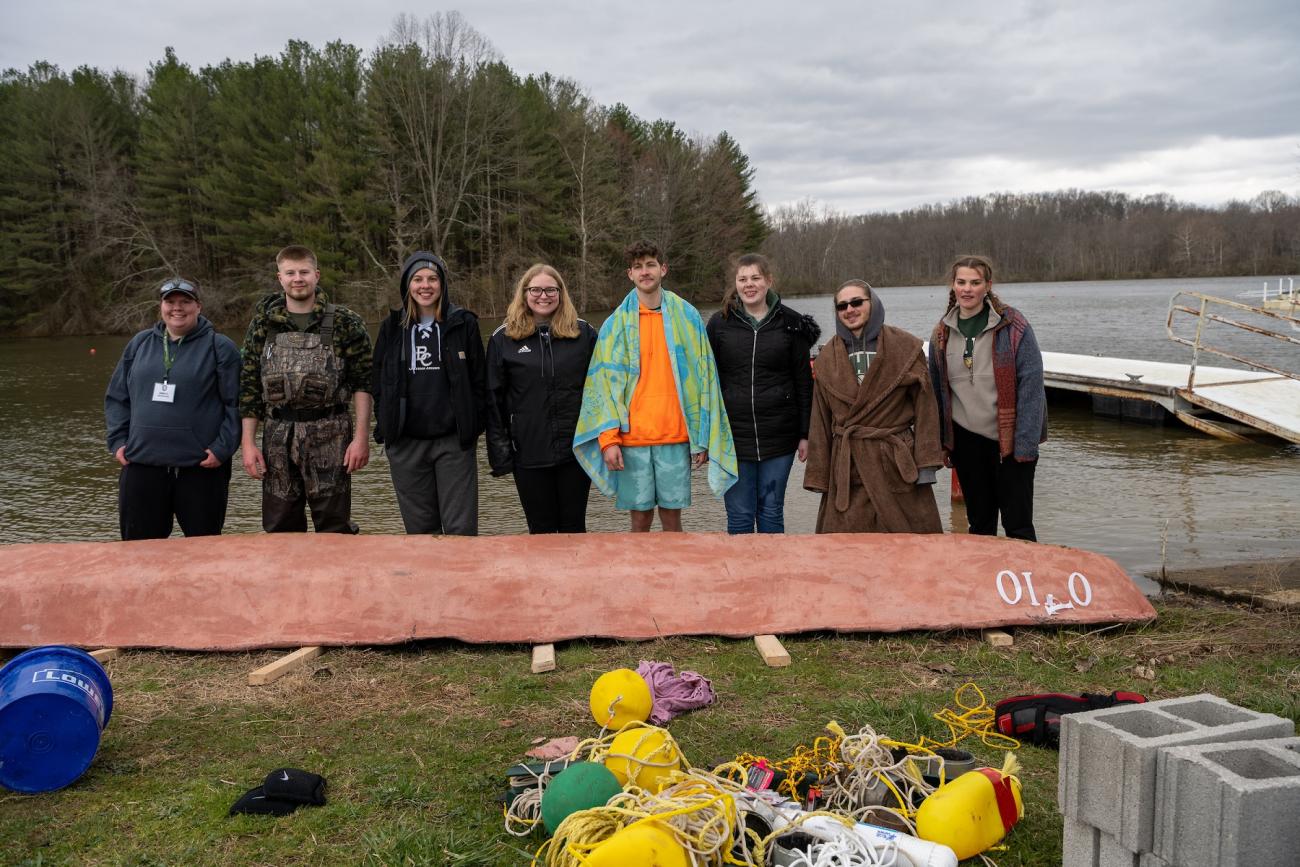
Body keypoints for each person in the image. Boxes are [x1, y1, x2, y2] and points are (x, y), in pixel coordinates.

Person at [574, 240, 737, 531]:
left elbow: (705, 379)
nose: (645, 272)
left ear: (663, 269)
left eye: (651, 265)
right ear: (630, 274)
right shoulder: (614, 325)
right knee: (639, 520)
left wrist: (701, 437)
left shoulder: (687, 317)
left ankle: (673, 576)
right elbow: (602, 387)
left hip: (675, 437)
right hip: (631, 439)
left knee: (673, 520)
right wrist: (608, 440)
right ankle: (641, 577)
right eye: (638, 267)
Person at [239, 245, 373, 533]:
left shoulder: (345, 322)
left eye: (304, 272)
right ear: (280, 278)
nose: (297, 278)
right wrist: (248, 444)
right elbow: (249, 387)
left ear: (316, 275)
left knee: (334, 526)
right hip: (277, 436)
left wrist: (361, 438)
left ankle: (337, 578)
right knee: (280, 526)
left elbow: (364, 383)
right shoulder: (263, 324)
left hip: (331, 434)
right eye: (290, 273)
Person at [105, 278, 240, 540]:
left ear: (198, 306)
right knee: (139, 552)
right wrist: (118, 441)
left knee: (204, 549)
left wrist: (222, 449)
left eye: (185, 302)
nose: (177, 308)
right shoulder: (140, 343)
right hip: (142, 465)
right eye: (170, 302)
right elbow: (117, 398)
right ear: (161, 307)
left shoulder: (220, 347)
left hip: (201, 468)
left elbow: (235, 404)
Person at [804, 279, 943, 533]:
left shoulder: (906, 347)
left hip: (896, 463)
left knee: (911, 548)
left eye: (857, 302)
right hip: (848, 466)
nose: (850, 310)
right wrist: (819, 474)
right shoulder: (826, 359)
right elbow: (820, 420)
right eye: (842, 305)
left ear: (873, 303)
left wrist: (926, 465)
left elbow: (927, 410)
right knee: (846, 551)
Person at [928, 255, 1046, 541]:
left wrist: (1025, 446)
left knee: (1018, 526)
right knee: (979, 527)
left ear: (988, 285)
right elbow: (937, 392)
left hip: (1009, 443)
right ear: (953, 286)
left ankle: (1025, 580)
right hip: (967, 443)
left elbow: (1032, 385)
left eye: (975, 282)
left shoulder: (1013, 325)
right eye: (961, 282)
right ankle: (984, 584)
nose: (967, 289)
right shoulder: (941, 333)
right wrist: (944, 442)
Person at [372, 251, 487, 535]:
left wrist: (473, 427)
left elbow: (480, 382)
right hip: (406, 443)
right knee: (421, 533)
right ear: (407, 285)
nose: (426, 285)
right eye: (418, 279)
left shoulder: (463, 324)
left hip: (453, 443)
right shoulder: (391, 328)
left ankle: (463, 579)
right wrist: (386, 426)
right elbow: (378, 382)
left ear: (443, 284)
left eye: (433, 279)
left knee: (461, 531)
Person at [706, 253, 819, 533]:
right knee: (740, 515)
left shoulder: (793, 324)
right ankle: (743, 576)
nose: (749, 284)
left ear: (769, 281)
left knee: (770, 512)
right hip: (732, 436)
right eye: (743, 279)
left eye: (756, 278)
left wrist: (805, 433)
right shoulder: (719, 324)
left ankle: (773, 575)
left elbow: (804, 383)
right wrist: (705, 434)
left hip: (780, 436)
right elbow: (707, 381)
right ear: (735, 284)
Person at [487, 264, 598, 533]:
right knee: (540, 531)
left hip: (576, 452)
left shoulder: (584, 335)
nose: (543, 295)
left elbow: (600, 392)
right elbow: (493, 400)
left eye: (551, 289)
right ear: (524, 293)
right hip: (528, 453)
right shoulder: (503, 339)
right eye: (535, 289)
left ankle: (575, 576)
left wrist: (604, 441)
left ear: (561, 293)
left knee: (574, 528)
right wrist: (501, 454)